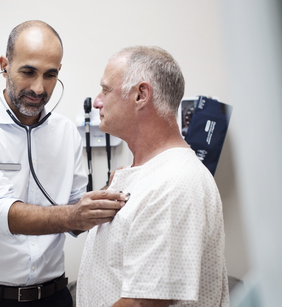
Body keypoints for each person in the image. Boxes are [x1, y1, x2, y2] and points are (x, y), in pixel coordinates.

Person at [0, 20, 125, 307]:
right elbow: (1, 212)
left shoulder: (67, 133)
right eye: (28, 72)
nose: (39, 88)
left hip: (54, 296)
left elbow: (77, 220)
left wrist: (111, 188)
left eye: (50, 75)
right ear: (5, 65)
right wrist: (73, 216)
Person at [77, 46, 229, 307]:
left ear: (141, 95)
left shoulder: (175, 182)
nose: (97, 100)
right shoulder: (143, 174)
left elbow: (141, 303)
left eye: (106, 90)